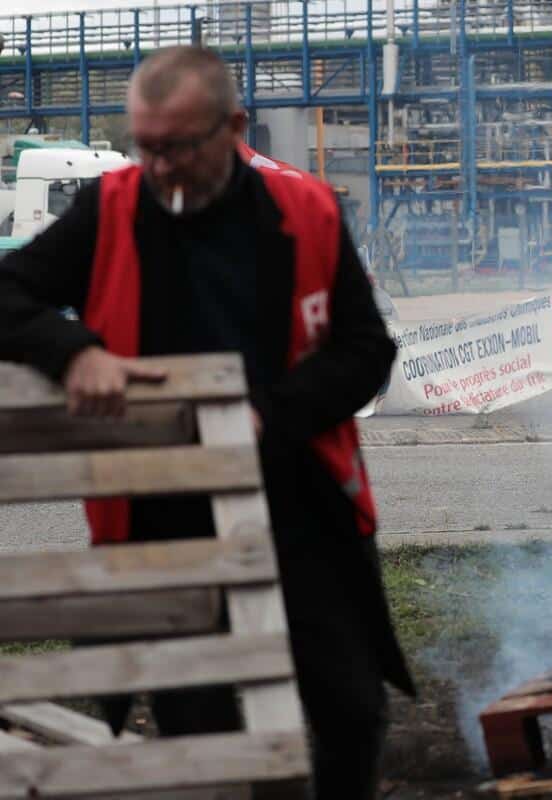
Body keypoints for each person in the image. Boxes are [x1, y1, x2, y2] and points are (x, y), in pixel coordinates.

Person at [0, 46, 414, 799]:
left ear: (233, 128)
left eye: (179, 147)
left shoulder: (306, 212)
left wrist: (267, 417)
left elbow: (367, 349)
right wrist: (74, 352)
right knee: (202, 731)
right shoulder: (113, 208)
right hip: (163, 520)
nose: (160, 168)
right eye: (145, 146)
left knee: (352, 710)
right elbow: (8, 294)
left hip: (298, 503)